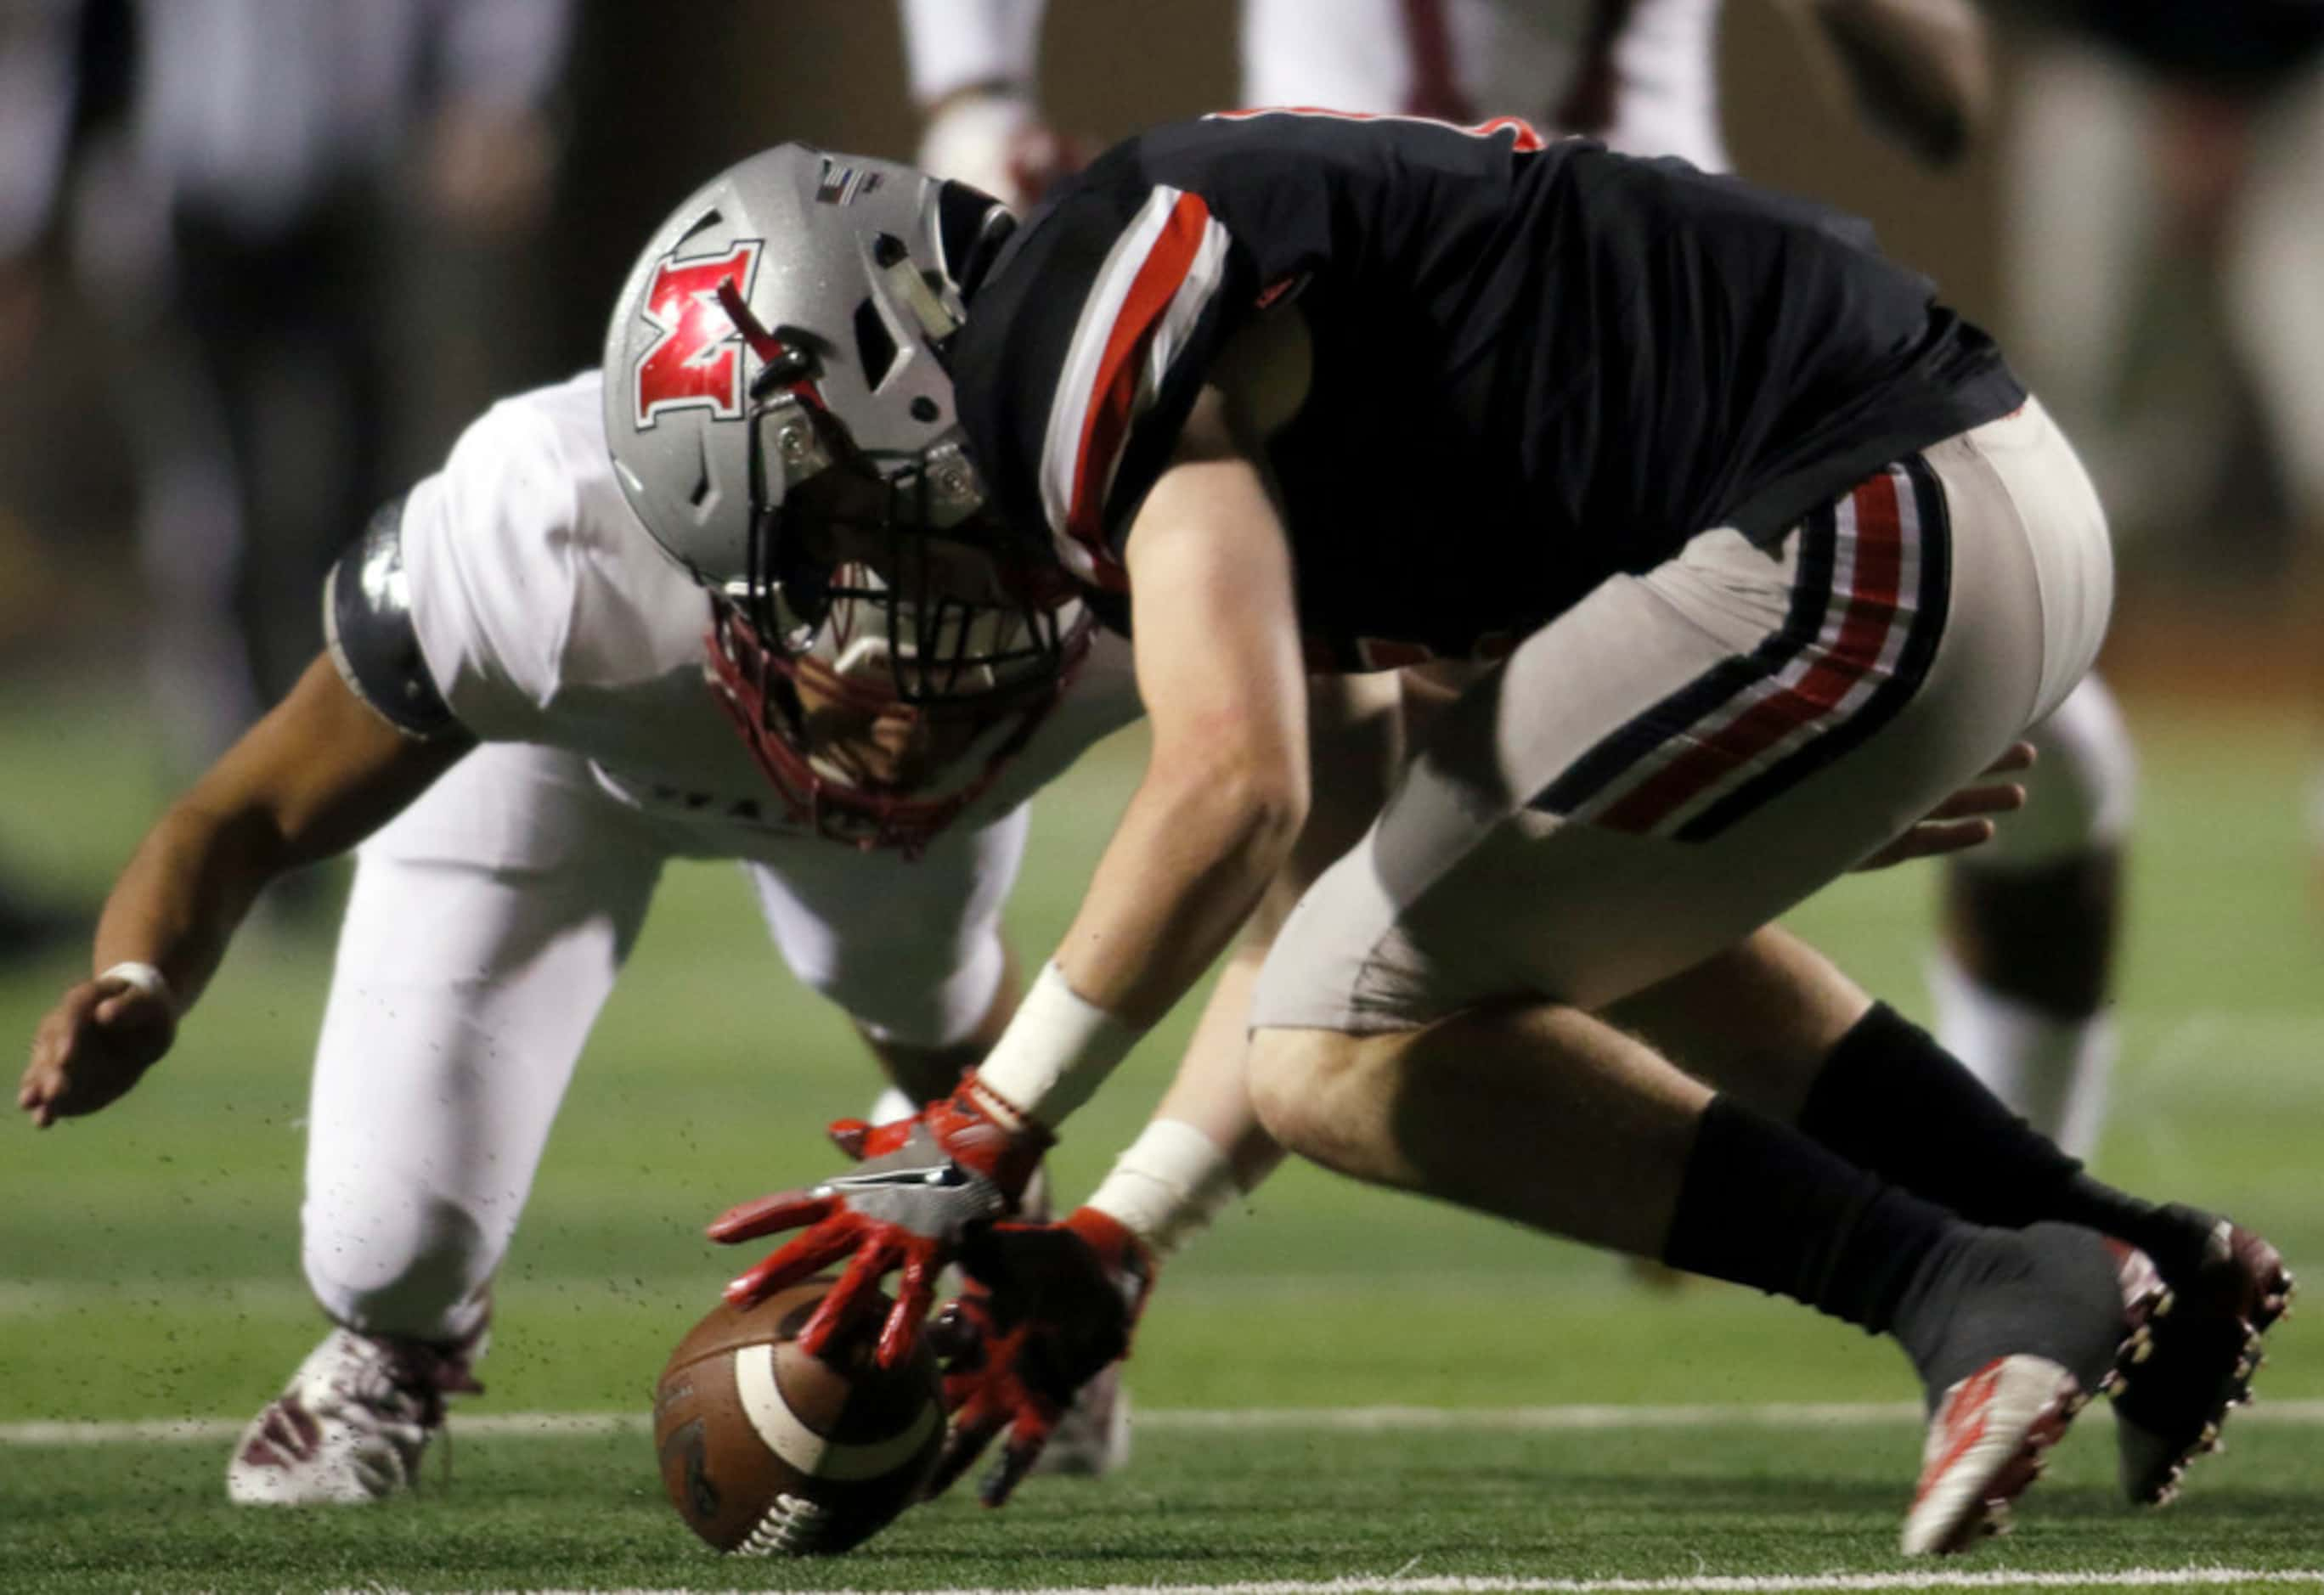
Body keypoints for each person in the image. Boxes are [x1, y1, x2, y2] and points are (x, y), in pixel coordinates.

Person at [600, 133, 2290, 1557]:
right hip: (1924, 508)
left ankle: (1966, 1285)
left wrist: (979, 1124)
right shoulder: (1176, 400)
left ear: (863, 359)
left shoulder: (1053, 338)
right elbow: (1321, 888)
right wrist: (1124, 1230)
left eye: (816, 529)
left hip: (1869, 512)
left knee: (1339, 1044)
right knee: (1449, 935)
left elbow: (1228, 792)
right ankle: (2140, 1258)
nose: (859, 606)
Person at [12, 161, 1148, 1504]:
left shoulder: (1124, 572)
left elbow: (1281, 786)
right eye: (875, 546)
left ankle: (992, 1295)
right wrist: (142, 977)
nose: (947, 611)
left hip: (885, 832)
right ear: (719, 515)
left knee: (933, 1008)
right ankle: (391, 1349)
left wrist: (1036, 1225)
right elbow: (246, 806)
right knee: (389, 1242)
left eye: (976, 519)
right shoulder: (545, 554)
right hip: (551, 770)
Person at [898, 0, 2135, 1162]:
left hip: (1636, 337)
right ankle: (994, 1211)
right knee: (1008, 731)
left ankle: (2021, 1233)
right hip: (1312, 342)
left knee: (2055, 762)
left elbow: (1943, 99)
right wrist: (972, 90)